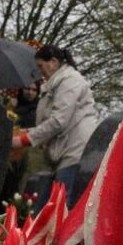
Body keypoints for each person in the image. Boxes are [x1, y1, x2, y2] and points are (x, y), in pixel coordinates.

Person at [12, 44, 97, 208]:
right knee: (45, 209)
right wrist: (23, 132)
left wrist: (23, 140)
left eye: (40, 66)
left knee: (58, 209)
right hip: (61, 155)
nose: (40, 71)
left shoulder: (70, 81)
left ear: (53, 62)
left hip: (73, 154)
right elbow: (47, 122)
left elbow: (59, 121)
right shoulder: (57, 83)